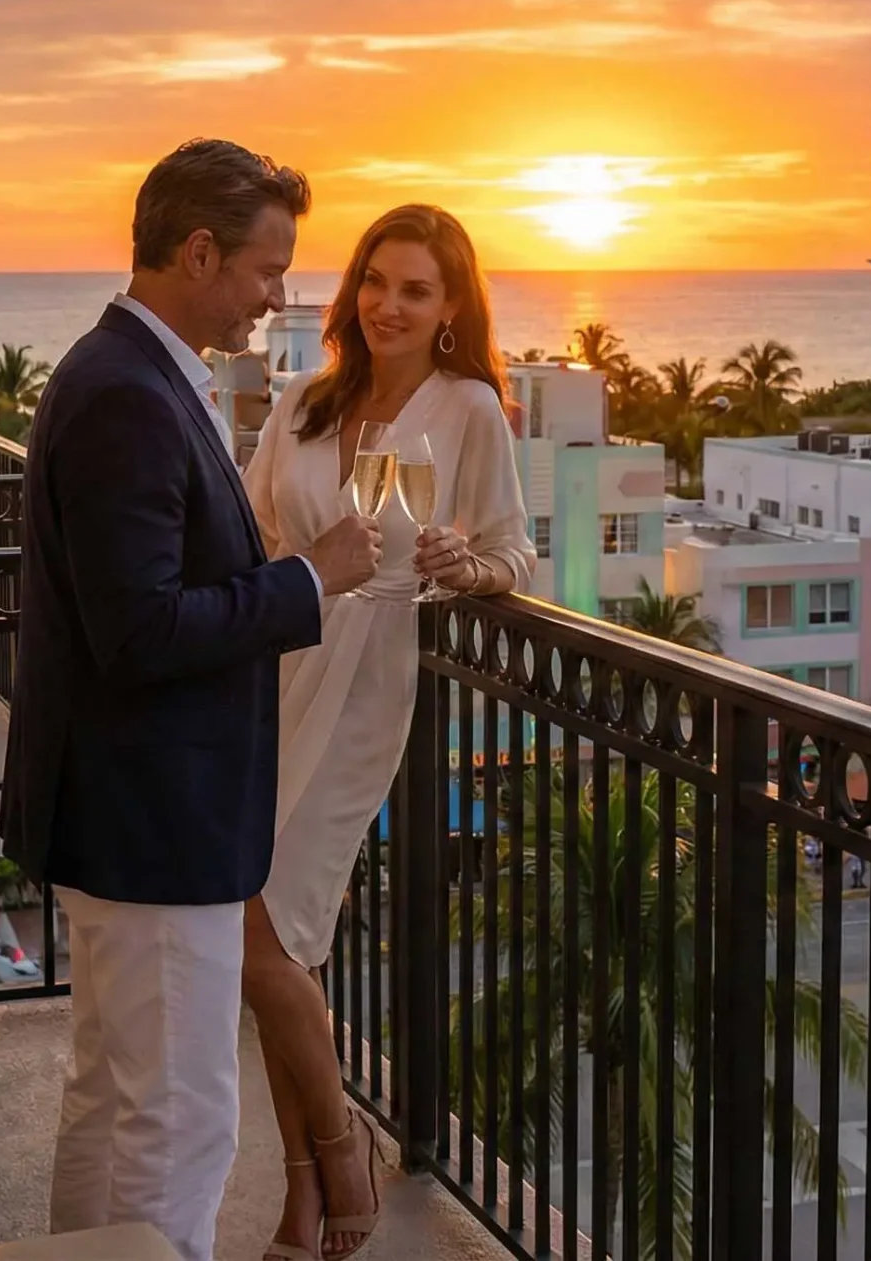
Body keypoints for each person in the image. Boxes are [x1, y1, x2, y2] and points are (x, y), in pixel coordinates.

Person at [0, 140, 383, 1261]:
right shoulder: (126, 392)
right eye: (268, 270)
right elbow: (142, 630)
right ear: (199, 250)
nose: (278, 295)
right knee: (181, 1118)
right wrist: (312, 577)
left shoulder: (135, 372)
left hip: (127, 811)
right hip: (153, 821)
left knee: (111, 1098)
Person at [240, 204, 536, 1260]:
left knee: (267, 929)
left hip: (369, 678)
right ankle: (312, 1177)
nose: (389, 304)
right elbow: (260, 529)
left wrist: (466, 564)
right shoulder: (310, 405)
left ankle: (336, 1146)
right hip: (276, 666)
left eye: (416, 288)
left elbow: (512, 555)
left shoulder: (466, 412)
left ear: (451, 306)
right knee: (270, 941)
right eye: (375, 280)